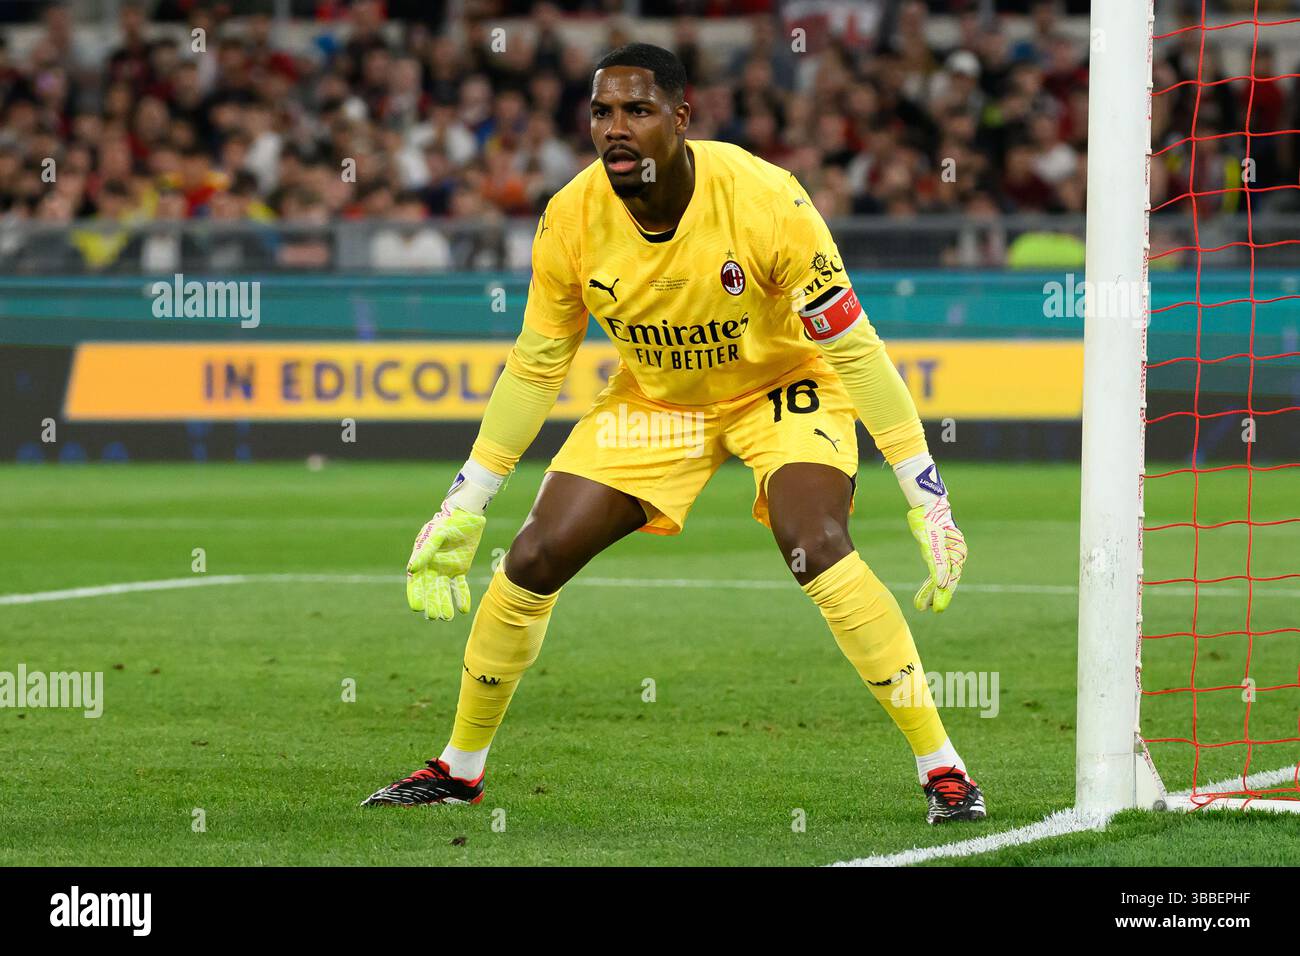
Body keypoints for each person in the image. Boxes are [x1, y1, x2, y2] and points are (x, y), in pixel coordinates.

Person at [363, 44, 983, 825]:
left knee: (815, 539)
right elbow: (535, 367)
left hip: (780, 387)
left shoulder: (767, 200)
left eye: (637, 110)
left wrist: (925, 493)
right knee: (531, 558)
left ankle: (943, 767)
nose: (615, 129)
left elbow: (853, 349)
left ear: (681, 119)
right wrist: (467, 501)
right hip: (657, 402)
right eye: (601, 112)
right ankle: (458, 768)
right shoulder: (572, 219)